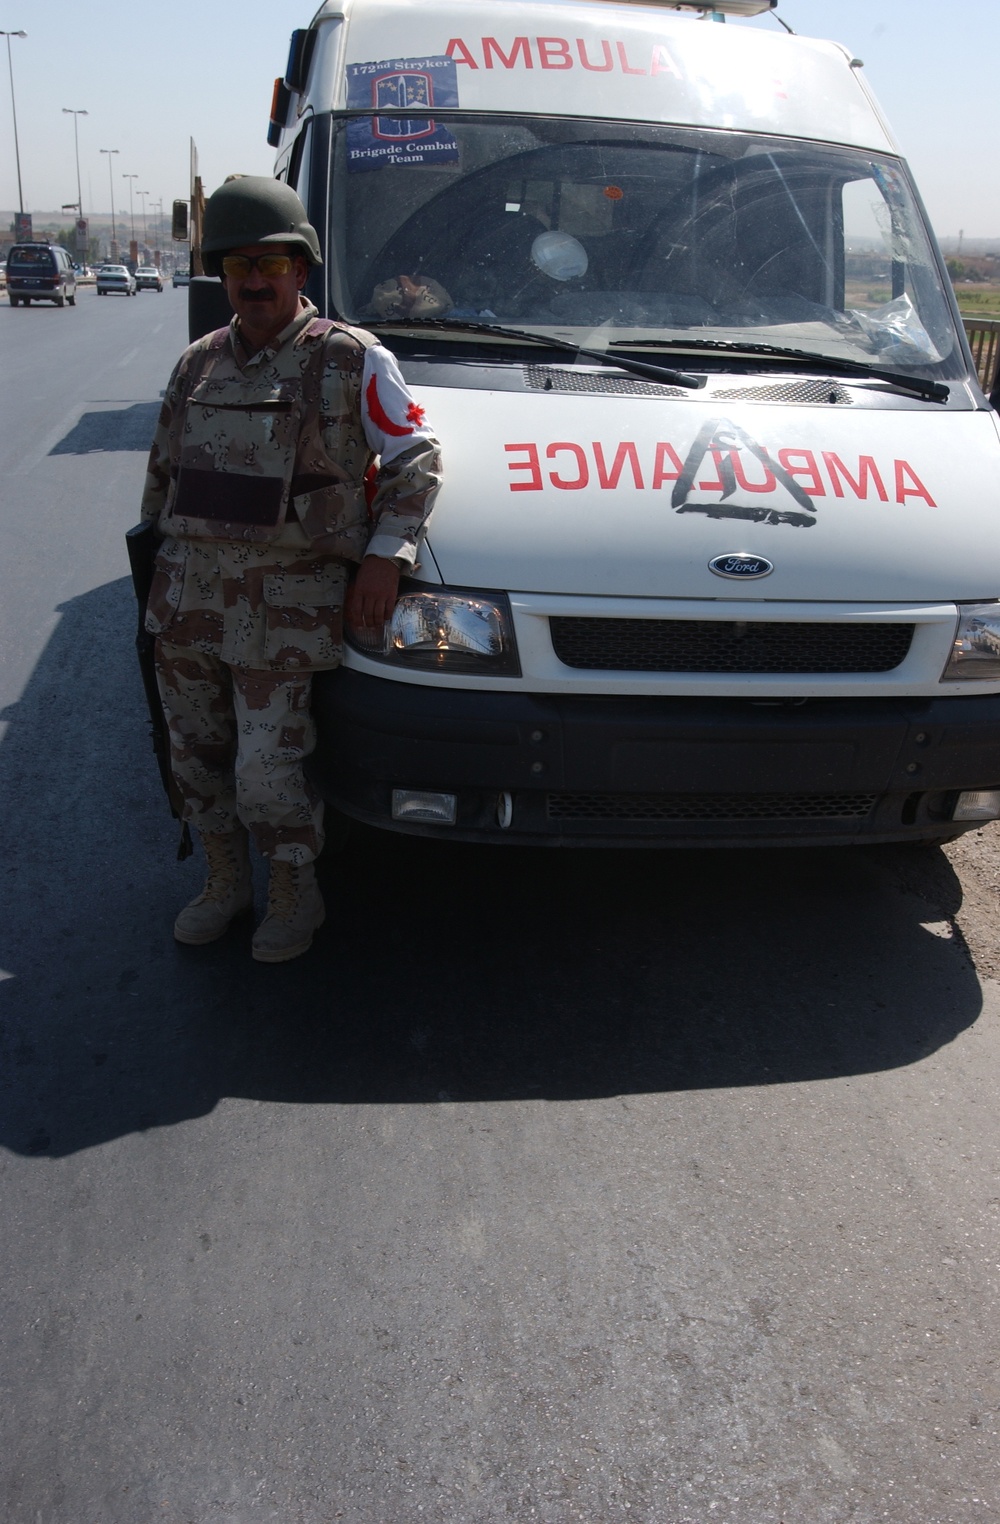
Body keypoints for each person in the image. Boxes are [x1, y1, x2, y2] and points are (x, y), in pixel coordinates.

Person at [139, 176, 442, 962]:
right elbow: (161, 485)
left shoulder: (351, 359)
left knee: (269, 770)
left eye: (272, 264)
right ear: (222, 275)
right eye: (238, 265)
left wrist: (385, 559)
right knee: (194, 760)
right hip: (189, 601)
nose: (254, 280)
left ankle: (292, 893)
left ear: (300, 271)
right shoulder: (196, 365)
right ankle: (221, 881)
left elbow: (417, 460)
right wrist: (155, 596)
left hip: (284, 607)